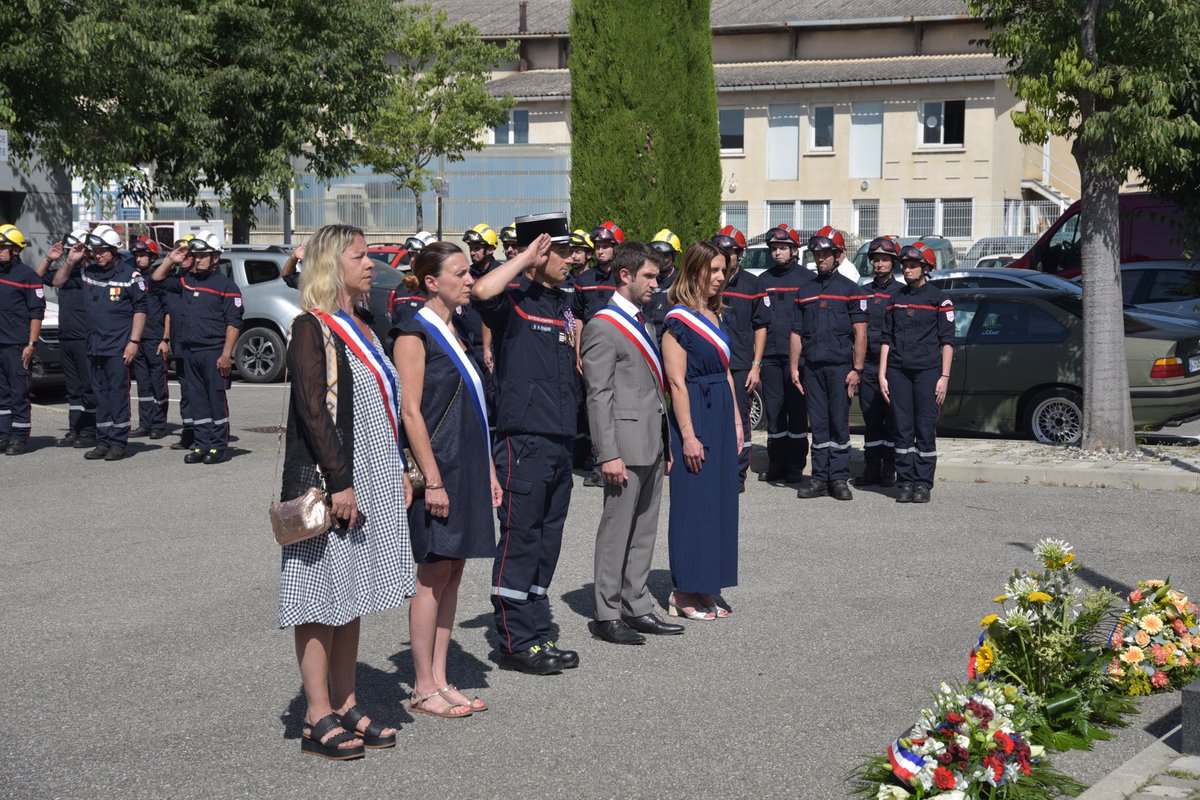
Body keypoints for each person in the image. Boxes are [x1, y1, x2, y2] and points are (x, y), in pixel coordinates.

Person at [279, 223, 415, 760]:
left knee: (351, 593)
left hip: (371, 478)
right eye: (360, 257)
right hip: (332, 482)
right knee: (318, 598)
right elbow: (313, 413)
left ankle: (348, 701)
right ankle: (317, 715)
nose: (371, 265)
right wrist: (340, 483)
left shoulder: (364, 324)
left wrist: (400, 467)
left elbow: (383, 406)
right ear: (333, 265)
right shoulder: (312, 328)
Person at [392, 242, 500, 718]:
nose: (470, 279)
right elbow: (410, 411)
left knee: (453, 573)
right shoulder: (413, 332)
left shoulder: (458, 330)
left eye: (470, 272)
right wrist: (432, 480)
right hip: (439, 471)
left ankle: (440, 677)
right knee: (431, 576)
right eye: (460, 273)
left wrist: (491, 472)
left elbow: (474, 410)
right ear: (431, 282)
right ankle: (421, 685)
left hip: (468, 467)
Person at [471, 213, 580, 675]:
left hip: (559, 440)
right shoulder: (515, 299)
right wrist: (522, 260)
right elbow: (480, 292)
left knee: (546, 541)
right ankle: (515, 640)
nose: (572, 258)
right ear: (539, 252)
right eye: (561, 250)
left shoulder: (563, 303)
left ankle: (536, 628)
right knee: (520, 539)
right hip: (525, 442)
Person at [581, 241, 683, 645]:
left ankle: (636, 602)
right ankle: (607, 612)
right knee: (616, 529)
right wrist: (608, 453)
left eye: (657, 277)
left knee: (644, 529)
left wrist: (666, 441)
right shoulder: (603, 325)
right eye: (649, 277)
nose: (656, 285)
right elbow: (598, 395)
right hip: (622, 446)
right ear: (625, 276)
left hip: (651, 441)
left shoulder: (644, 322)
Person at [662, 241, 741, 621]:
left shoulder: (714, 314)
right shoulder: (677, 320)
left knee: (719, 502)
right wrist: (688, 435)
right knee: (694, 501)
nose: (721, 277)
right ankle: (682, 592)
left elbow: (726, 371)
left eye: (723, 270)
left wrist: (739, 422)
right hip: (694, 412)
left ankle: (707, 586)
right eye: (714, 271)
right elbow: (675, 383)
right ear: (694, 272)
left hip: (722, 413)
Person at [152, 229, 242, 464]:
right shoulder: (185, 280)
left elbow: (234, 324)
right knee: (196, 399)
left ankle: (218, 447)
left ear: (215, 258)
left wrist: (226, 355)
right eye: (196, 254)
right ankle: (202, 444)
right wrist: (171, 260)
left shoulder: (226, 286)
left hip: (213, 352)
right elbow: (156, 280)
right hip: (189, 351)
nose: (198, 258)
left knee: (215, 399)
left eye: (203, 255)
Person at [790, 233, 868, 501]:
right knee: (819, 425)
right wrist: (793, 368)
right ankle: (819, 478)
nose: (820, 258)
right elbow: (797, 333)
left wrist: (857, 369)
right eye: (817, 254)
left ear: (837, 256)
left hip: (840, 368)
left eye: (826, 254)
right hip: (812, 368)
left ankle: (838, 479)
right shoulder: (805, 291)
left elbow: (860, 332)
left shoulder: (850, 290)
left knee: (839, 424)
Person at [880, 243, 955, 504]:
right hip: (898, 372)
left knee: (924, 427)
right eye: (905, 265)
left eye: (912, 265)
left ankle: (923, 483)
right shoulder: (896, 299)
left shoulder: (939, 299)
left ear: (926, 268)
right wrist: (882, 375)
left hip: (928, 372)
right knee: (902, 428)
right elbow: (886, 340)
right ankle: (905, 481)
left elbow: (947, 342)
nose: (907, 269)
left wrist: (944, 377)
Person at [78, 225, 146, 461]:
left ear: (115, 250)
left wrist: (134, 342)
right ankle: (103, 439)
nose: (98, 255)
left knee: (117, 394)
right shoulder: (89, 272)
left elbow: (140, 309)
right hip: (94, 345)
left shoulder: (130, 276)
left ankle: (118, 441)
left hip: (118, 347)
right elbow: (57, 280)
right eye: (95, 251)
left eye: (103, 250)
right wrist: (70, 260)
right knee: (100, 394)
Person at [756, 224, 812, 483]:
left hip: (797, 360)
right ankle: (776, 462)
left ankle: (795, 466)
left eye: (782, 248)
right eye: (773, 249)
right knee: (775, 412)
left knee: (797, 411)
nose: (777, 253)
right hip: (770, 357)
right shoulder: (763, 281)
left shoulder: (807, 280)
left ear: (794, 250)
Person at [714, 226, 766, 492]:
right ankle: (715, 468)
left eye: (730, 251)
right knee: (713, 417)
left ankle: (737, 474)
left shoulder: (753, 285)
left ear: (740, 254)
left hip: (741, 363)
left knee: (740, 419)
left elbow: (761, 326)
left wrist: (756, 366)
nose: (725, 256)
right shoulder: (707, 282)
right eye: (720, 250)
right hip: (712, 364)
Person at [575, 221, 623, 487]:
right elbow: (579, 319)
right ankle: (598, 464)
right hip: (592, 352)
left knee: (618, 406)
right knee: (596, 406)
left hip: (619, 351)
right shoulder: (584, 280)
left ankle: (620, 457)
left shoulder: (624, 277)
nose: (601, 250)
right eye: (598, 246)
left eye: (606, 246)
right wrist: (578, 351)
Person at [857, 237, 904, 487]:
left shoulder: (901, 292)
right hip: (869, 364)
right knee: (871, 418)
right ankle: (871, 468)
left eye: (885, 259)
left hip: (893, 365)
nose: (880, 264)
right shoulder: (862, 292)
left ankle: (890, 469)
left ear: (893, 263)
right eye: (876, 260)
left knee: (892, 418)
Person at [45, 231, 99, 448]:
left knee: (88, 387)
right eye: (70, 250)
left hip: (85, 338)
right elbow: (47, 278)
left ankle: (90, 430)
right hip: (66, 336)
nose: (73, 254)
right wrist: (53, 259)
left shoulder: (93, 273)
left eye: (77, 250)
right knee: (73, 388)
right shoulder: (66, 272)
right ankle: (74, 429)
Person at [0, 224, 45, 455]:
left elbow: (37, 313)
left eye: (2, 247)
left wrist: (31, 345)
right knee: (1, 394)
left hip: (17, 345)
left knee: (19, 392)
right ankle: (3, 434)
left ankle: (19, 437)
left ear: (15, 249)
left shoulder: (28, 276)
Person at [127, 237, 170, 439]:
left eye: (143, 255)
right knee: (143, 384)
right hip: (139, 340)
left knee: (158, 384)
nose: (139, 259)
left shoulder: (158, 280)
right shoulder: (133, 277)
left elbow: (168, 312)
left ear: (152, 257)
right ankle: (144, 424)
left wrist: (165, 339)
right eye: (136, 255)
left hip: (155, 339)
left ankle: (159, 425)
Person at [160, 234, 197, 451]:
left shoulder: (201, 280)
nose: (183, 257)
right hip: (180, 345)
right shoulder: (175, 281)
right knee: (186, 394)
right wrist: (165, 339)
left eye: (188, 253)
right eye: (180, 253)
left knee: (201, 393)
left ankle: (205, 435)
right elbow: (169, 313)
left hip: (201, 347)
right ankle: (188, 434)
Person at [645, 228, 682, 340]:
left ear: (673, 256)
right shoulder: (645, 279)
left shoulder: (681, 281)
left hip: (673, 340)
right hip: (649, 341)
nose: (661, 259)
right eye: (657, 255)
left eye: (665, 255)